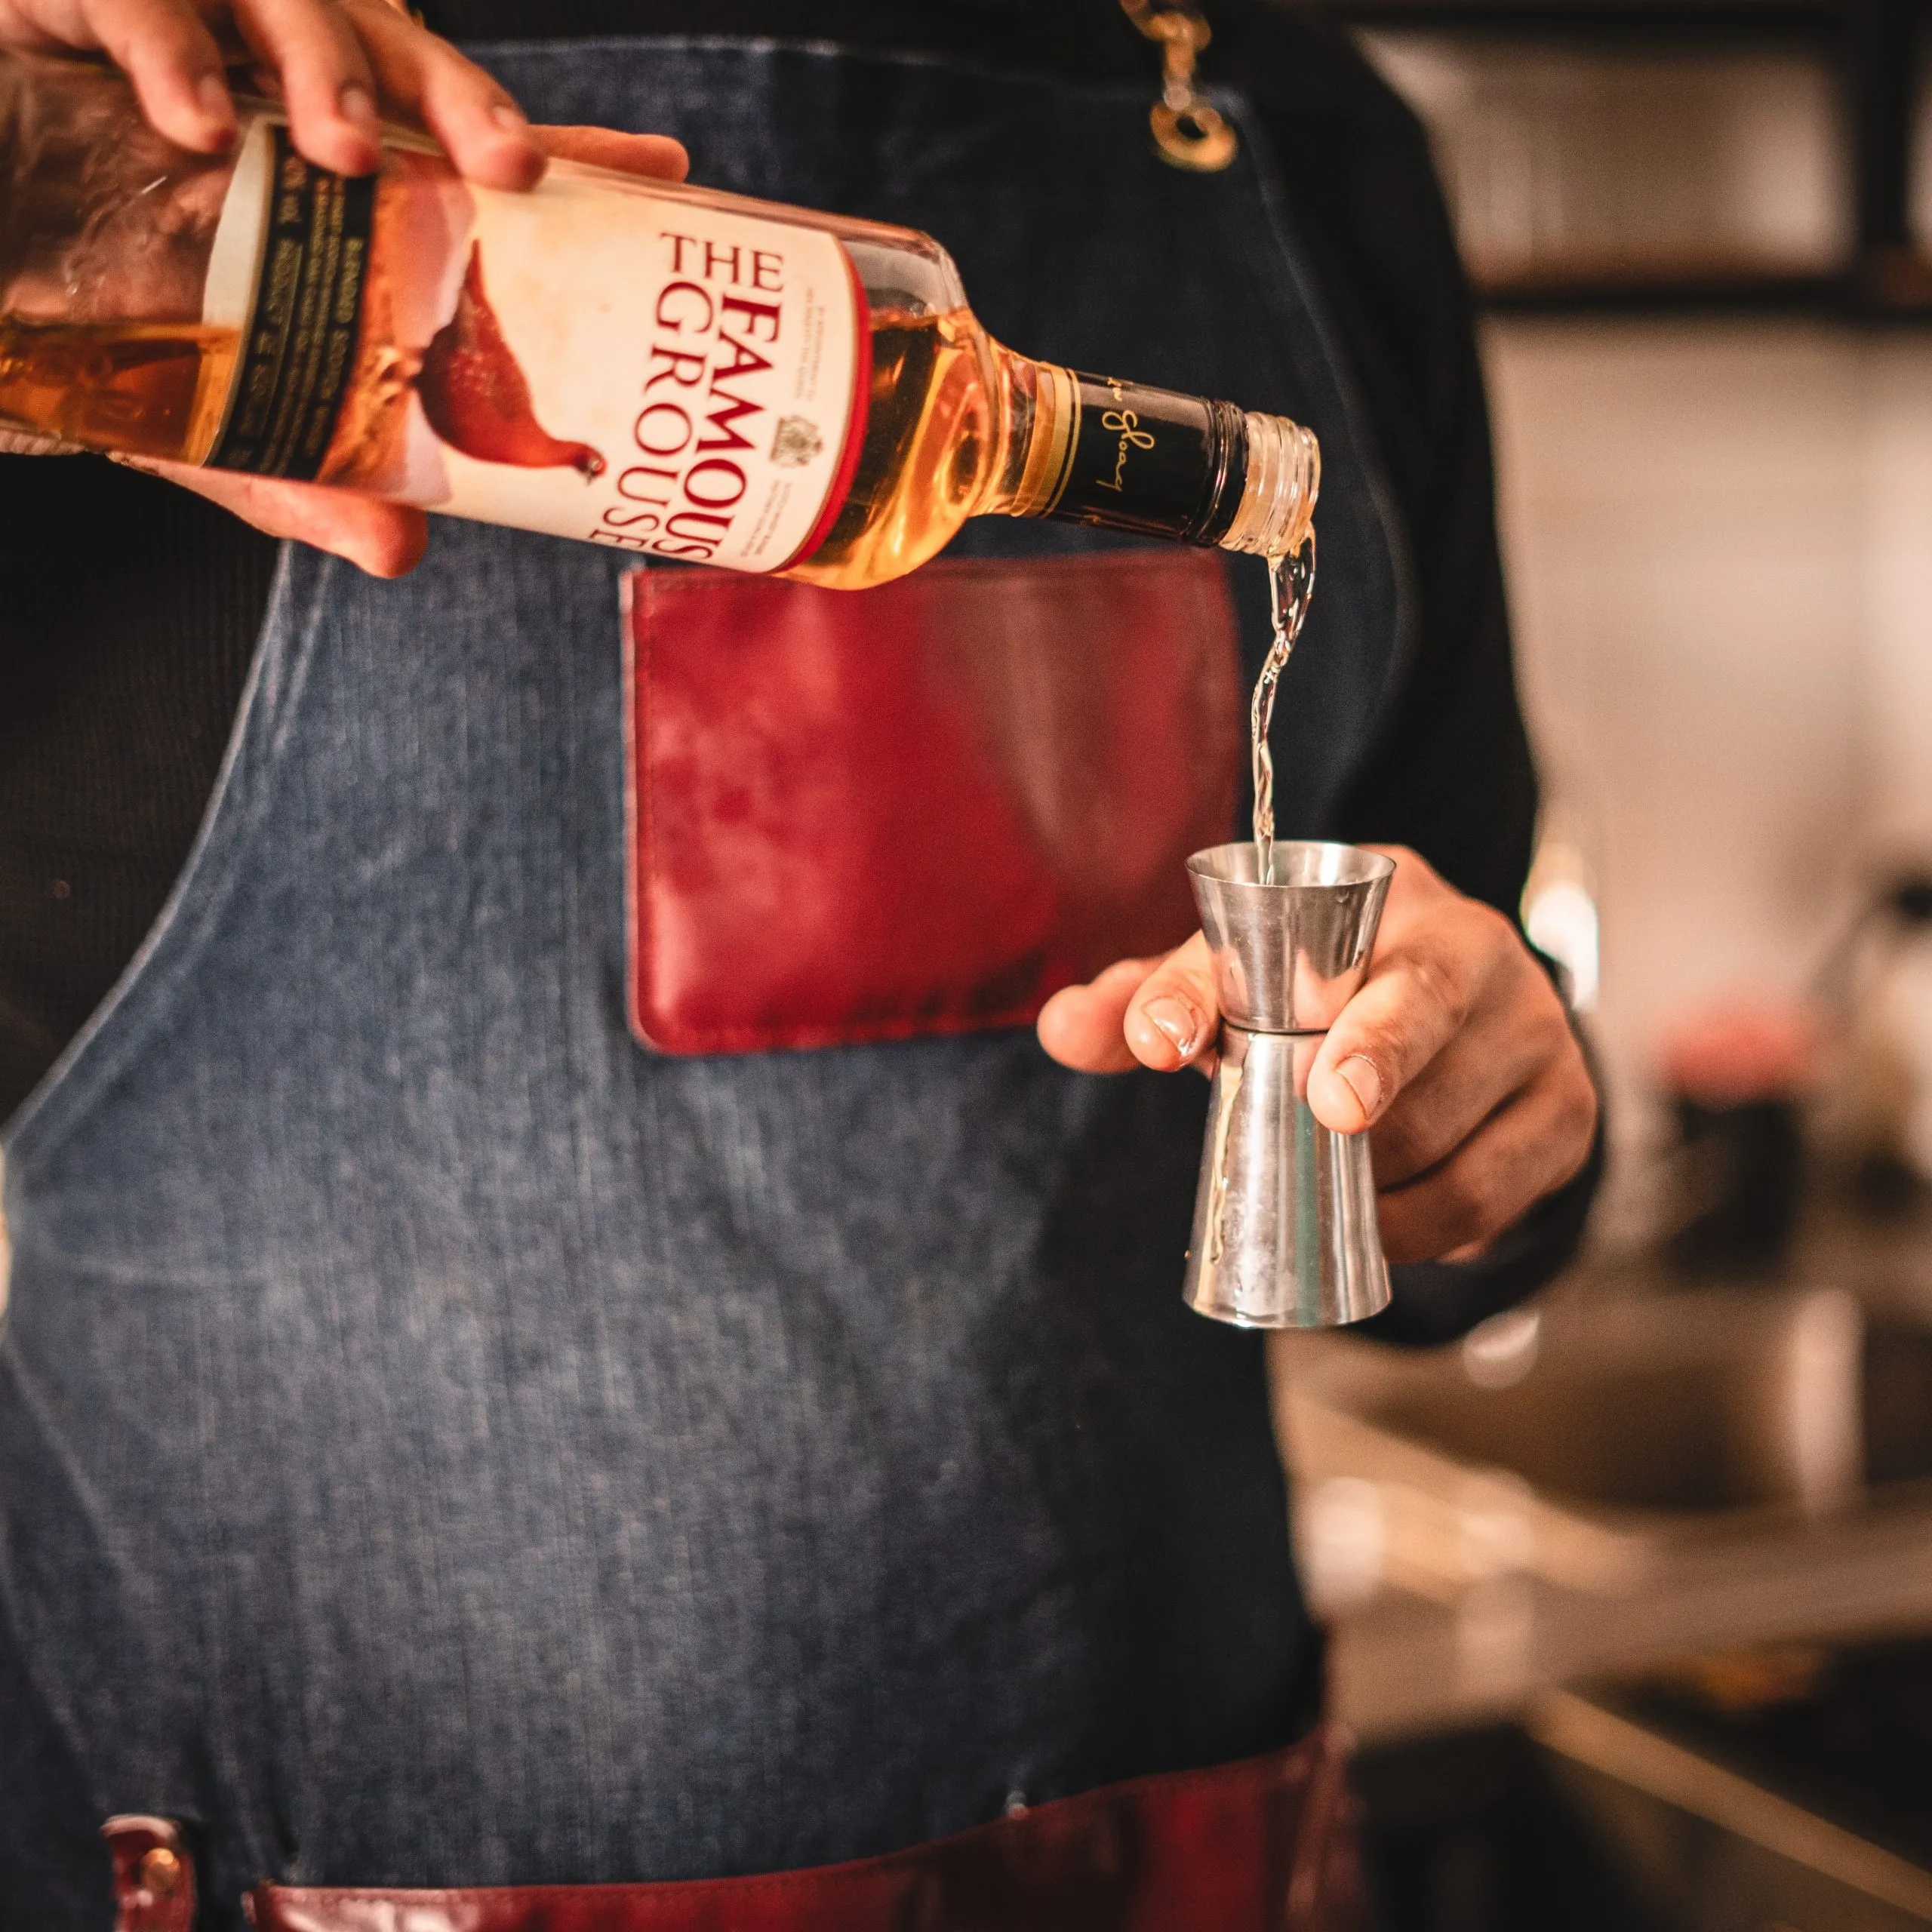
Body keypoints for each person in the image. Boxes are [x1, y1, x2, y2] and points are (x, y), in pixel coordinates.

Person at [0, 2, 1600, 1925]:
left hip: (1177, 1851)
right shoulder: (174, 81)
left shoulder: (1303, 122)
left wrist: (1479, 1126)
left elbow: (1461, 1135)